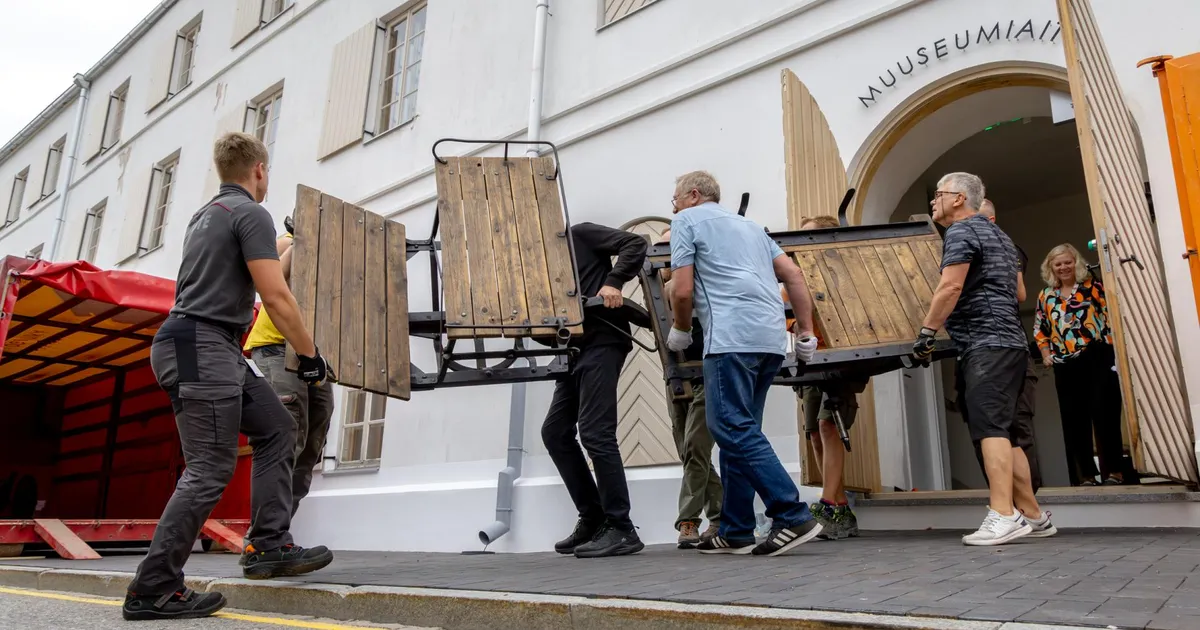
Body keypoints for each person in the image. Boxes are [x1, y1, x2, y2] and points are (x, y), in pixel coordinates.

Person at [123, 132, 333, 621]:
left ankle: (267, 546)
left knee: (277, 428)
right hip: (201, 344)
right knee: (210, 467)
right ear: (259, 169)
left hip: (205, 345)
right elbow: (275, 295)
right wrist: (310, 355)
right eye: (267, 171)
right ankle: (153, 587)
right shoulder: (251, 212)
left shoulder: (205, 215)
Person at [666, 170, 822, 557]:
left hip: (730, 338)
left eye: (675, 200)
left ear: (693, 195)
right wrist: (805, 332)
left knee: (729, 426)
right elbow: (793, 274)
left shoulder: (687, 220)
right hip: (769, 339)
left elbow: (682, 290)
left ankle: (791, 514)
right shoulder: (752, 227)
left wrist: (681, 329)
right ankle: (735, 529)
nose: (674, 207)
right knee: (739, 430)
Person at [912, 172, 1054, 546]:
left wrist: (927, 332)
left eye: (938, 194)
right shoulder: (1001, 236)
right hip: (1012, 345)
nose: (933, 201)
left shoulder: (960, 232)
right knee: (1007, 433)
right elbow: (1019, 293)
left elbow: (950, 286)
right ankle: (1033, 515)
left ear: (959, 198)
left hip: (985, 344)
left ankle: (1003, 514)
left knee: (990, 428)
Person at [544, 222, 648, 559]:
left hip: (603, 339)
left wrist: (613, 282)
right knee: (555, 433)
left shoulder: (580, 234)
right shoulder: (538, 261)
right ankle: (594, 517)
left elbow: (635, 243)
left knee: (595, 431)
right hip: (572, 349)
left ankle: (621, 527)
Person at [788, 215, 868, 541]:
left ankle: (828, 504)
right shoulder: (798, 275)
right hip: (811, 360)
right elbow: (791, 318)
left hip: (842, 359)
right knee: (815, 434)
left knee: (829, 425)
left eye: (808, 236)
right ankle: (839, 506)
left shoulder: (843, 272)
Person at [968, 200, 1044, 494]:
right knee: (991, 429)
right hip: (983, 352)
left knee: (1016, 428)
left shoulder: (1005, 248)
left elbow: (1019, 293)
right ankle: (1007, 501)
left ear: (990, 220)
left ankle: (1029, 502)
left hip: (1008, 351)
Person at [1034, 243, 1125, 486]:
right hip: (1065, 364)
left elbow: (1111, 319)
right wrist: (1046, 354)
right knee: (1074, 420)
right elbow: (1040, 330)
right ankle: (1086, 475)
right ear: (1050, 267)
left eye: (1068, 262)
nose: (1063, 267)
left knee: (1105, 414)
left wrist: (1115, 351)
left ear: (1077, 263)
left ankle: (1114, 472)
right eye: (1058, 264)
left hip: (1097, 356)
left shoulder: (1093, 287)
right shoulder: (1046, 295)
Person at [659, 227, 722, 549]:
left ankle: (688, 522)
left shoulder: (699, 282)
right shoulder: (657, 291)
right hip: (676, 379)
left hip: (706, 374)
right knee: (689, 452)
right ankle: (721, 515)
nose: (665, 256)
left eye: (671, 248)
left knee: (696, 449)